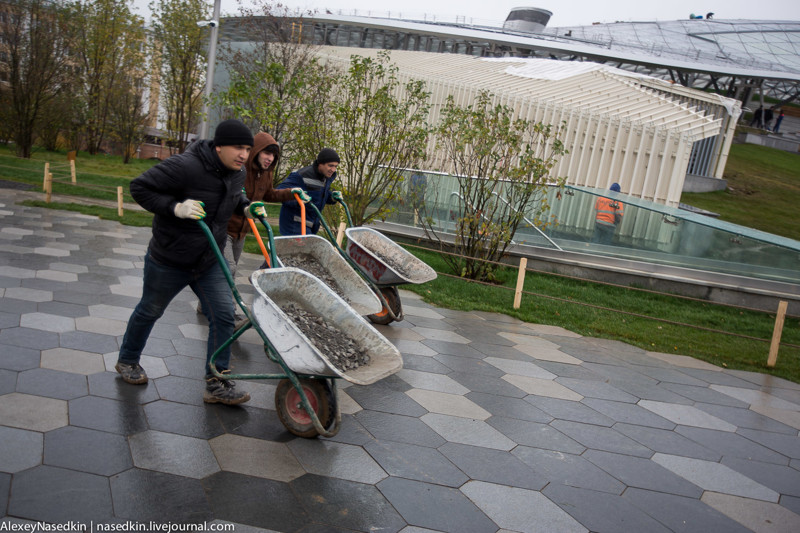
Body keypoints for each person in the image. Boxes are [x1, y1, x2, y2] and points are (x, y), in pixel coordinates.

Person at [114, 119, 268, 405]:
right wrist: (175, 208)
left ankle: (217, 381)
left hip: (209, 258)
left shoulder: (237, 171)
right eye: (238, 147)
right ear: (218, 146)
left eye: (247, 149)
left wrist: (246, 205)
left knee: (223, 316)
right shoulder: (185, 166)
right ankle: (127, 360)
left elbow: (233, 196)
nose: (244, 155)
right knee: (150, 309)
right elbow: (140, 187)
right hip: (170, 258)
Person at [220, 132, 308, 322]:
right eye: (266, 153)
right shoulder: (239, 170)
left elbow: (269, 194)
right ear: (256, 151)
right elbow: (232, 196)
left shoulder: (265, 174)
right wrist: (246, 206)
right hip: (223, 228)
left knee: (223, 270)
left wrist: (292, 193)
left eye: (273, 156)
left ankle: (207, 304)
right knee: (229, 269)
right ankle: (227, 310)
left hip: (242, 231)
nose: (270, 159)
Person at [276, 148, 342, 236]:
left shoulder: (325, 177)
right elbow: (279, 192)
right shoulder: (301, 175)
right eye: (330, 165)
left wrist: (331, 197)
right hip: (294, 223)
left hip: (309, 224)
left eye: (335, 166)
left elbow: (318, 195)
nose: (333, 169)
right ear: (320, 163)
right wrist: (297, 199)